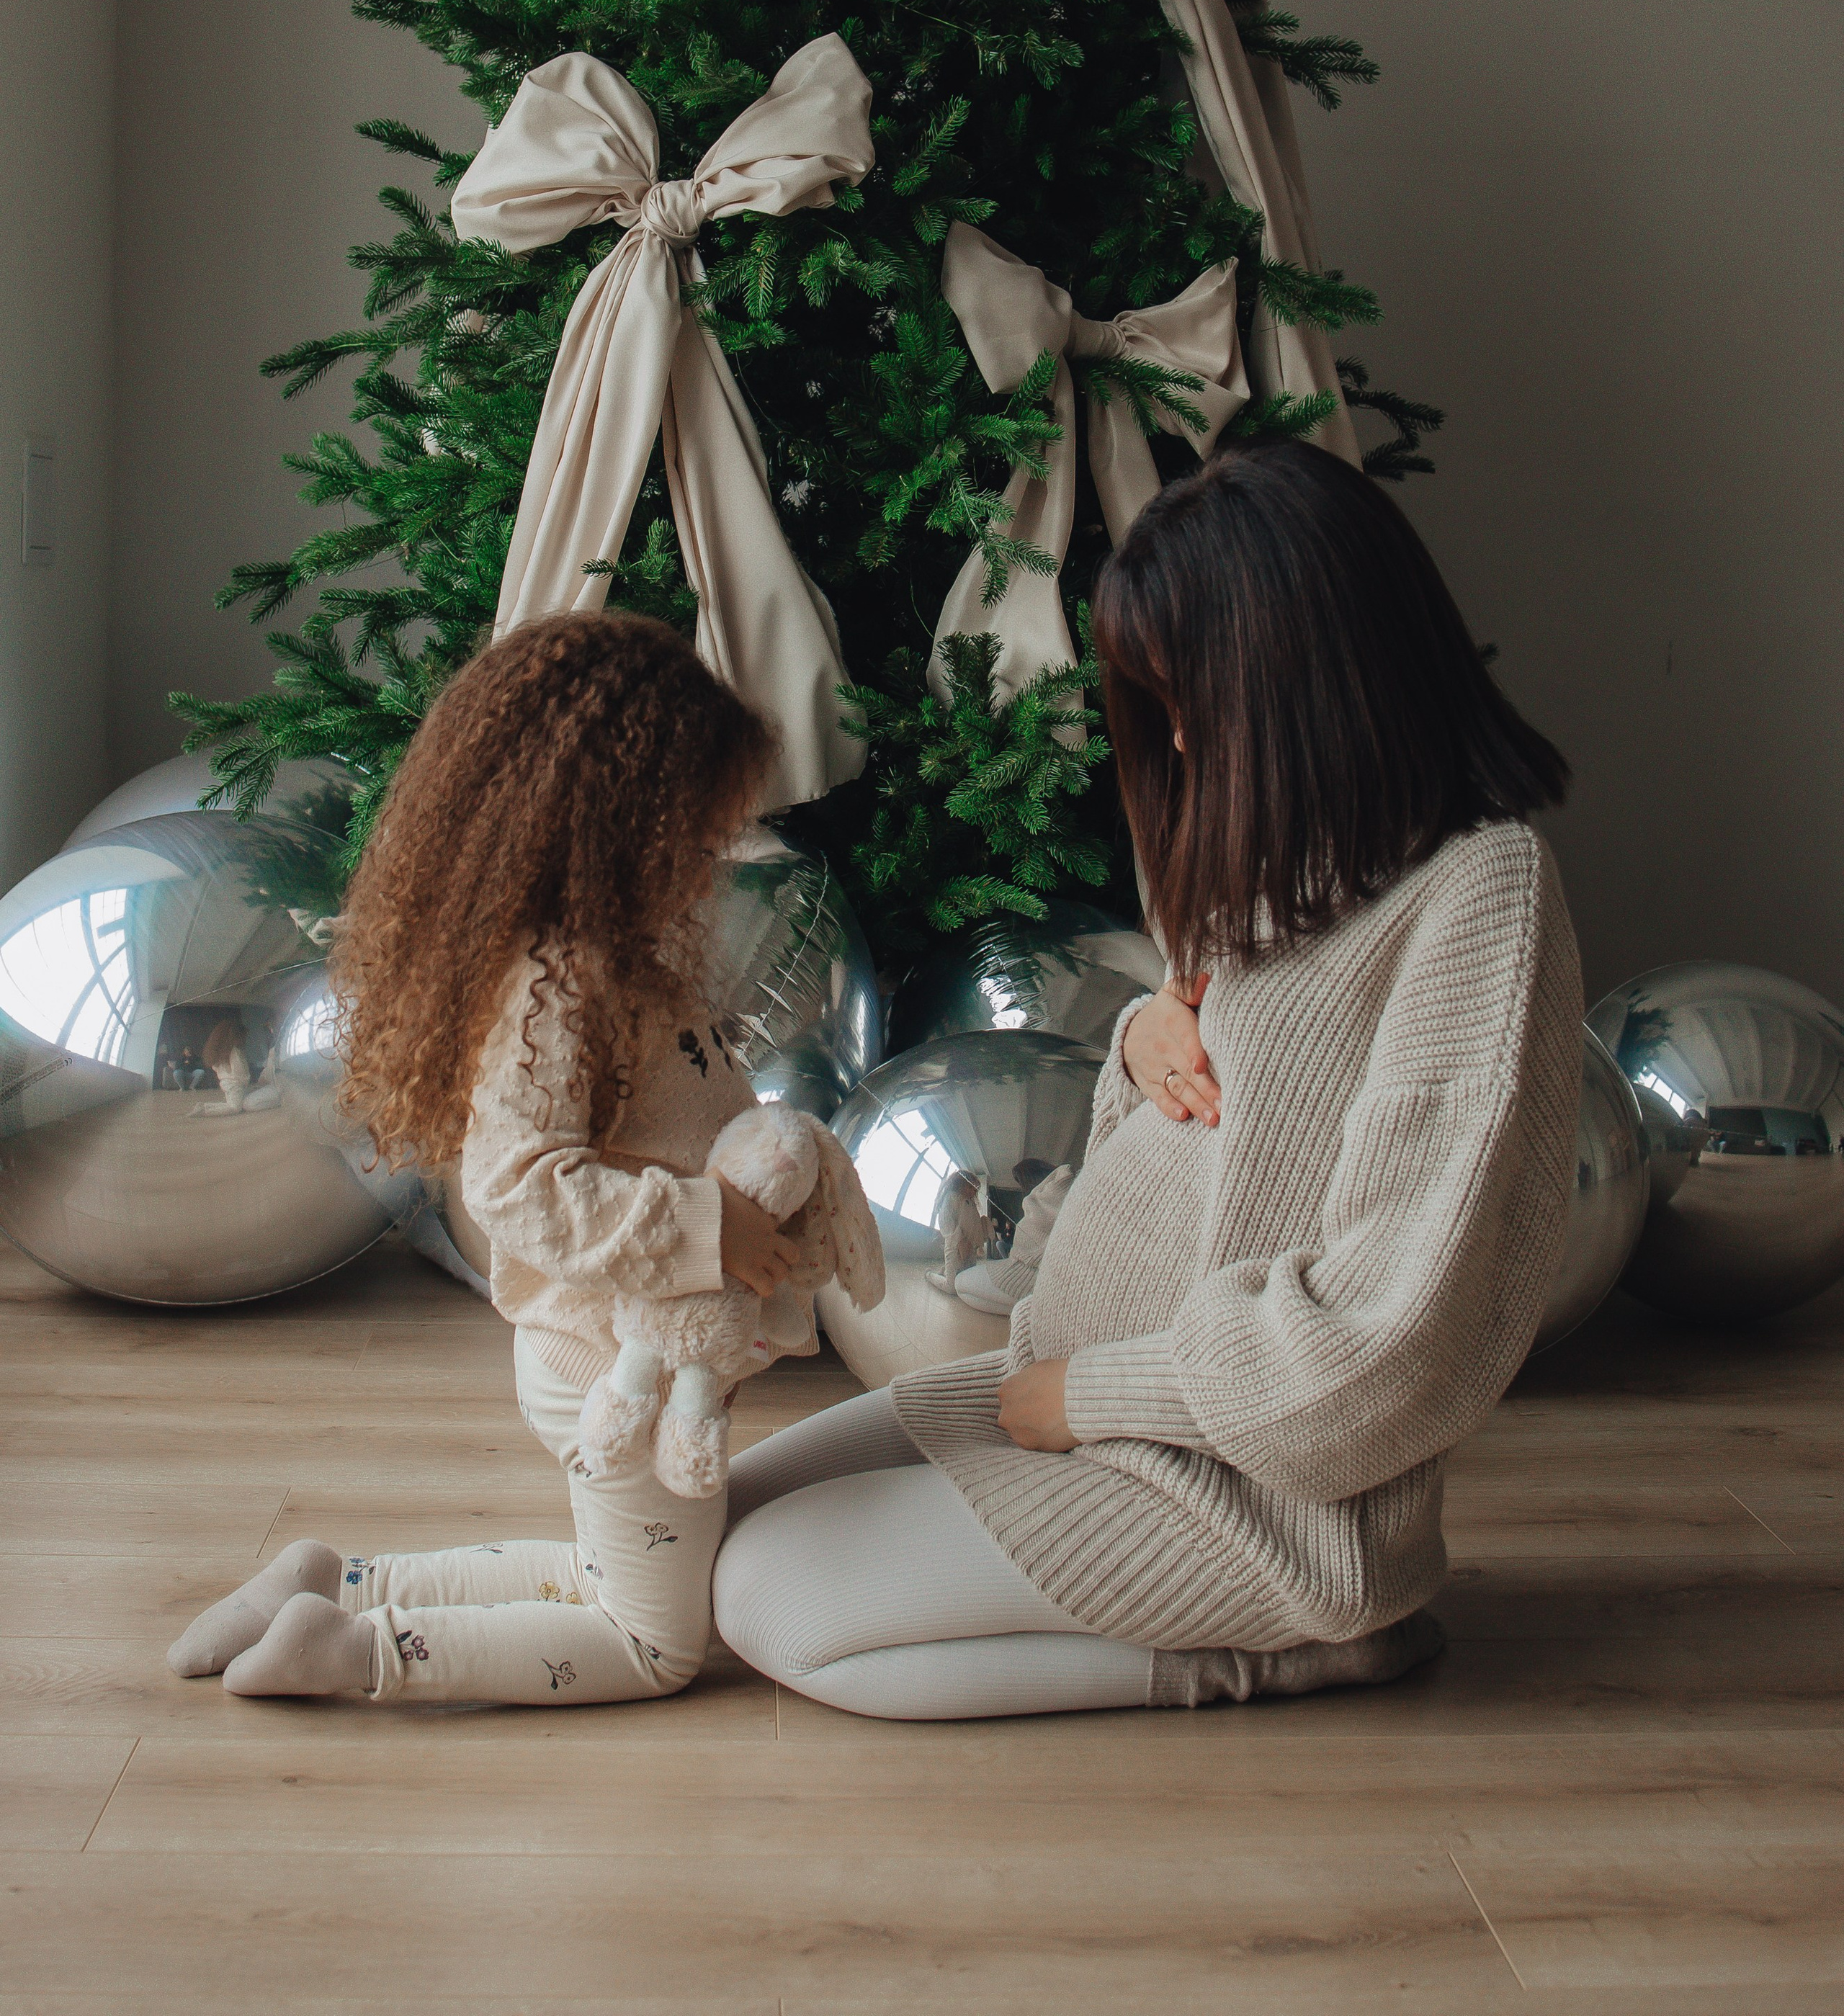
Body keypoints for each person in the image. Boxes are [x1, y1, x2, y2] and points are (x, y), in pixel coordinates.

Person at [715, 437, 1583, 1719]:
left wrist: (1095, 1398)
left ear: (1301, 677)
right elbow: (1207, 1158)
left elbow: (1389, 1343)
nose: (1173, 731)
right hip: (1078, 1399)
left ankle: (1294, 1646)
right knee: (706, 1515)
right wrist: (1136, 1044)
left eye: (1190, 693)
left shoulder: (1476, 899)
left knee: (770, 1595)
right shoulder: (1276, 870)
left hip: (1249, 1497)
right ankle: (393, 1614)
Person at [168, 609, 793, 1707]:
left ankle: (333, 1583)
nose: (708, 876)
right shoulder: (555, 991)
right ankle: (359, 1657)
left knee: (615, 1579)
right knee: (653, 1648)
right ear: (615, 828)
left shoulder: (618, 963)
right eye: (696, 845)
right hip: (610, 1363)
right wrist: (708, 1229)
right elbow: (515, 1185)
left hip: (639, 1351)